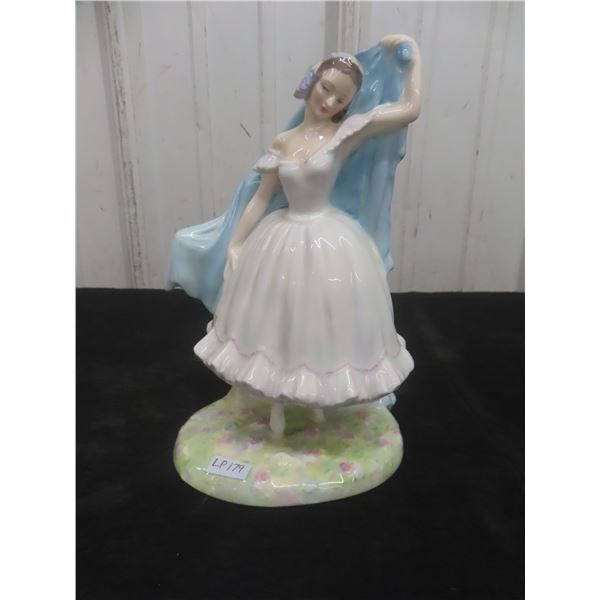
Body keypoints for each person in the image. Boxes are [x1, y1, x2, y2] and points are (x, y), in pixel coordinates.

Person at [171, 35, 422, 437]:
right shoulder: (284, 142)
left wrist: (411, 54)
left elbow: (410, 109)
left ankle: (315, 400)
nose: (329, 102)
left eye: (340, 99)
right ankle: (277, 403)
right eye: (326, 88)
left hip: (329, 239)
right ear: (312, 80)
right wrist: (236, 242)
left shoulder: (346, 134)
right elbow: (261, 198)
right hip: (281, 238)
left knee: (318, 322)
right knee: (278, 322)